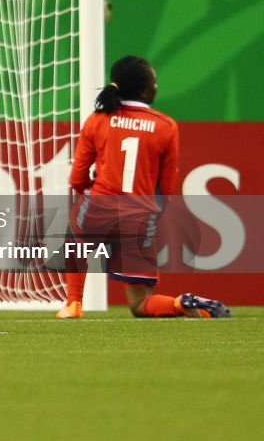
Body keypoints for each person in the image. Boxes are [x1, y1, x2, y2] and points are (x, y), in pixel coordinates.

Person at [58, 55, 229, 319]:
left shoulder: (97, 120)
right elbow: (166, 187)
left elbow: (77, 177)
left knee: (75, 240)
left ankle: (73, 304)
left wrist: (88, 193)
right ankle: (180, 303)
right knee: (139, 304)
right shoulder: (166, 127)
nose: (157, 87)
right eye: (155, 82)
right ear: (144, 90)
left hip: (100, 205)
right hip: (139, 215)